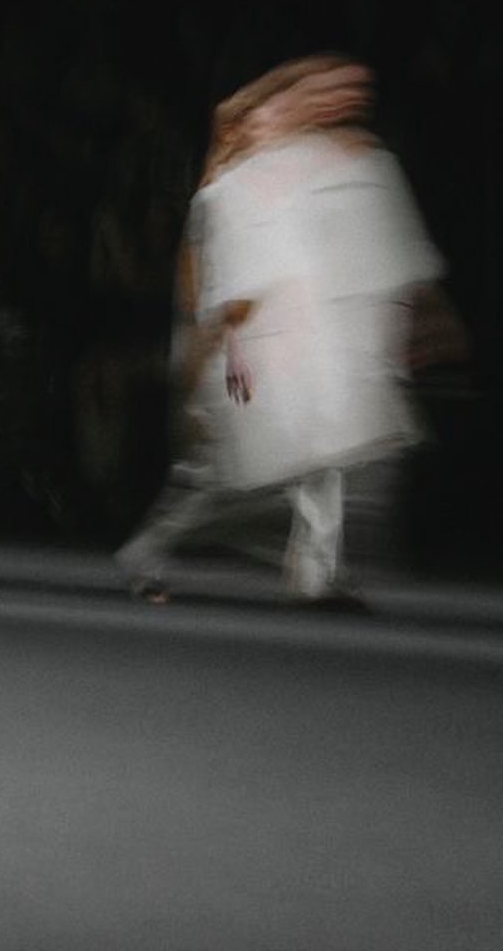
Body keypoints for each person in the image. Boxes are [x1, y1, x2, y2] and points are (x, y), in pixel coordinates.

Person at [114, 55, 450, 609]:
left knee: (321, 459)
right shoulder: (227, 190)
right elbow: (218, 287)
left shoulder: (291, 174)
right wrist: (226, 351)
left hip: (293, 345)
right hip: (244, 348)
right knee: (220, 476)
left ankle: (316, 573)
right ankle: (148, 550)